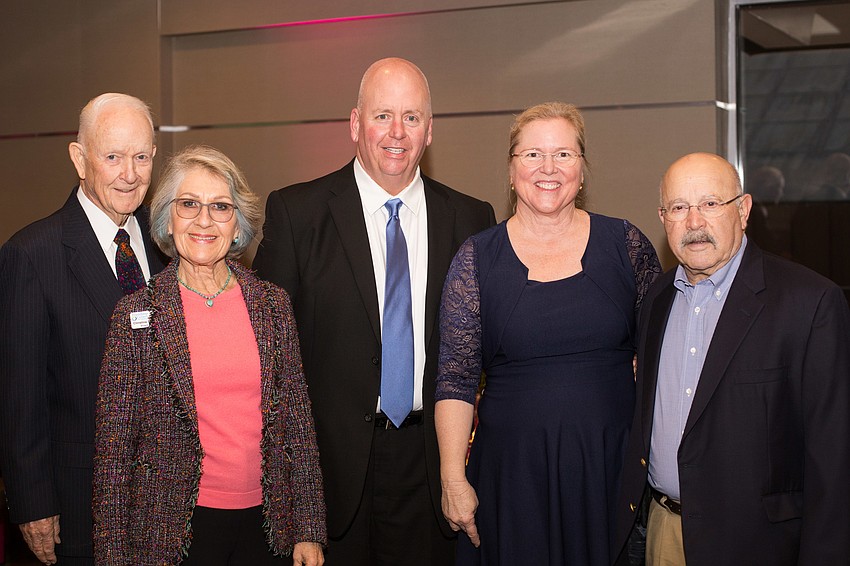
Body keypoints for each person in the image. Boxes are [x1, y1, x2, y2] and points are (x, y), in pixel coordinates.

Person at [253, 57, 495, 565]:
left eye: (412, 117)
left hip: (431, 471)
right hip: (330, 478)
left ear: (430, 131)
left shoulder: (472, 219)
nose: (397, 132)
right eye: (383, 115)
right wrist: (295, 501)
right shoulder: (297, 214)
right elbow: (270, 369)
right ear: (355, 124)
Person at [435, 101, 661, 566]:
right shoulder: (476, 258)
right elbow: (455, 381)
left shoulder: (628, 245)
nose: (548, 167)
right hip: (513, 482)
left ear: (582, 168)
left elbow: (661, 356)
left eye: (563, 154)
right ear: (512, 169)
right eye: (532, 154)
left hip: (612, 475)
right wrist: (453, 480)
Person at [92, 145, 326, 565]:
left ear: (237, 224)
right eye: (188, 204)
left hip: (268, 527)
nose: (204, 220)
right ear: (167, 217)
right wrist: (112, 557)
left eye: (220, 206)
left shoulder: (272, 306)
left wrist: (309, 529)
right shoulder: (135, 315)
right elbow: (114, 454)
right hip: (171, 531)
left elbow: (298, 427)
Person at [613, 152, 850, 566]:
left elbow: (833, 458)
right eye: (679, 207)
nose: (694, 222)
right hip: (665, 533)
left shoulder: (809, 303)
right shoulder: (657, 299)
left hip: (760, 544)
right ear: (662, 217)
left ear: (743, 211)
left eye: (710, 203)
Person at [0, 93, 166, 565]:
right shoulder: (32, 254)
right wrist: (32, 504)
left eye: (140, 157)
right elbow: (18, 398)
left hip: (165, 504)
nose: (128, 174)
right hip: (78, 505)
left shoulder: (166, 248)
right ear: (79, 158)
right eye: (112, 157)